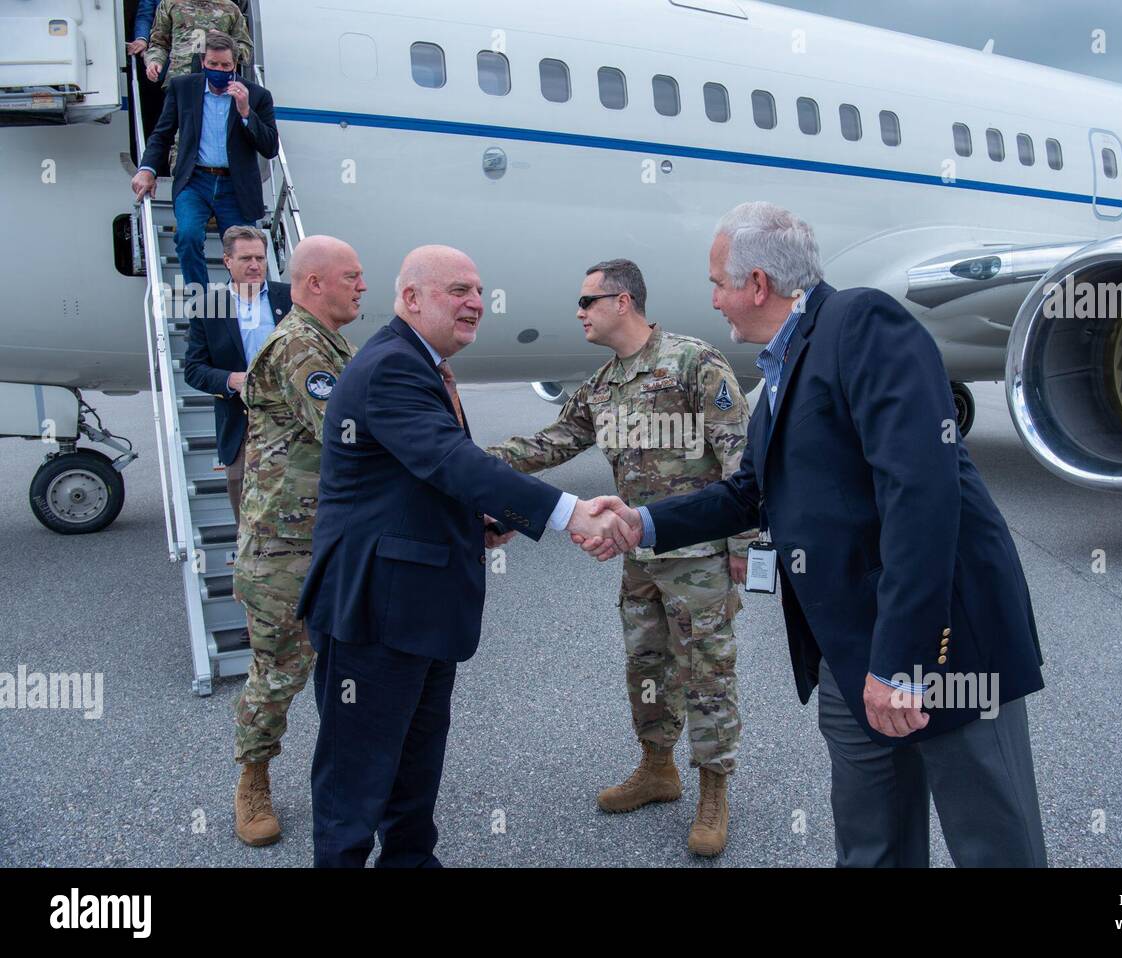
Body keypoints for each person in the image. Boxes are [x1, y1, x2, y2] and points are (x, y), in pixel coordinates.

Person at [581, 202, 1049, 868]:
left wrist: (902, 663)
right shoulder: (782, 371)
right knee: (869, 845)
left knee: (993, 845)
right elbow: (750, 494)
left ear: (759, 285)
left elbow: (920, 498)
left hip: (941, 650)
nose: (712, 299)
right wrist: (641, 522)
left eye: (718, 283)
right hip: (848, 655)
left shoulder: (862, 324)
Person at [295, 245, 636, 868]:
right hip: (374, 613)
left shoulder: (421, 364)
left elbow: (423, 480)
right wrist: (568, 512)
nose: (475, 302)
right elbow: (452, 461)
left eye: (478, 290)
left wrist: (479, 523)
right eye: (458, 290)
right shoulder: (394, 367)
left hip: (416, 608)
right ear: (412, 298)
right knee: (358, 777)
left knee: (414, 765)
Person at [486, 259, 755, 857]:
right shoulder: (604, 384)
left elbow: (740, 455)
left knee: (707, 670)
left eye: (587, 301)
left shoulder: (693, 362)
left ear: (623, 301)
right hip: (640, 555)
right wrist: (473, 460)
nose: (579, 312)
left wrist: (743, 546)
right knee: (648, 667)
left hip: (698, 555)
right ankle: (658, 769)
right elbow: (554, 441)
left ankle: (715, 789)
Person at [230, 235, 364, 847]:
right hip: (284, 548)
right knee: (279, 672)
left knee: (348, 669)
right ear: (315, 284)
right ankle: (253, 778)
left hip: (332, 540)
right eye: (352, 276)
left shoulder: (334, 344)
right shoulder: (301, 348)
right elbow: (352, 435)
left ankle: (345, 781)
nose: (362, 286)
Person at [132, 30, 278, 293]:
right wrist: (147, 168)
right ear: (203, 62)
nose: (219, 70)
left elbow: (270, 147)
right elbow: (162, 133)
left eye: (225, 65)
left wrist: (246, 112)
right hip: (195, 180)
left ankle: (245, 307)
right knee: (187, 236)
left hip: (235, 186)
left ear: (235, 64)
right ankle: (202, 306)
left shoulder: (257, 96)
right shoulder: (184, 88)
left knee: (246, 251)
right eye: (213, 65)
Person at [182, 225, 291, 520]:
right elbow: (193, 369)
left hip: (291, 421)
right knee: (247, 516)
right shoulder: (209, 307)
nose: (255, 265)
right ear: (227, 261)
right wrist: (231, 379)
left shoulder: (290, 299)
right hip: (242, 425)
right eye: (246, 259)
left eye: (260, 257)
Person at [143, 0, 252, 86]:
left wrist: (226, 42)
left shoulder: (230, 8)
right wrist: (154, 61)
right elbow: (158, 43)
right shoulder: (170, 4)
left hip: (219, 83)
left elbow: (246, 49)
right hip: (179, 81)